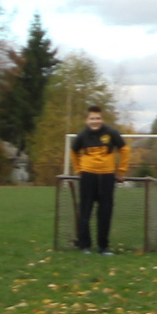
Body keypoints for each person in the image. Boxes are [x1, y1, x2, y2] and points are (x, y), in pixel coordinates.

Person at [69, 104, 127, 256]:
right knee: (85, 212)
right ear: (87, 120)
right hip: (88, 177)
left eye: (98, 118)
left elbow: (124, 149)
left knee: (105, 212)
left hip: (107, 177)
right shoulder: (82, 136)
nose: (95, 121)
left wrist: (121, 170)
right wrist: (78, 170)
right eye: (92, 118)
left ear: (102, 119)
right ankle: (85, 246)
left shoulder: (111, 133)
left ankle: (103, 247)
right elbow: (73, 152)